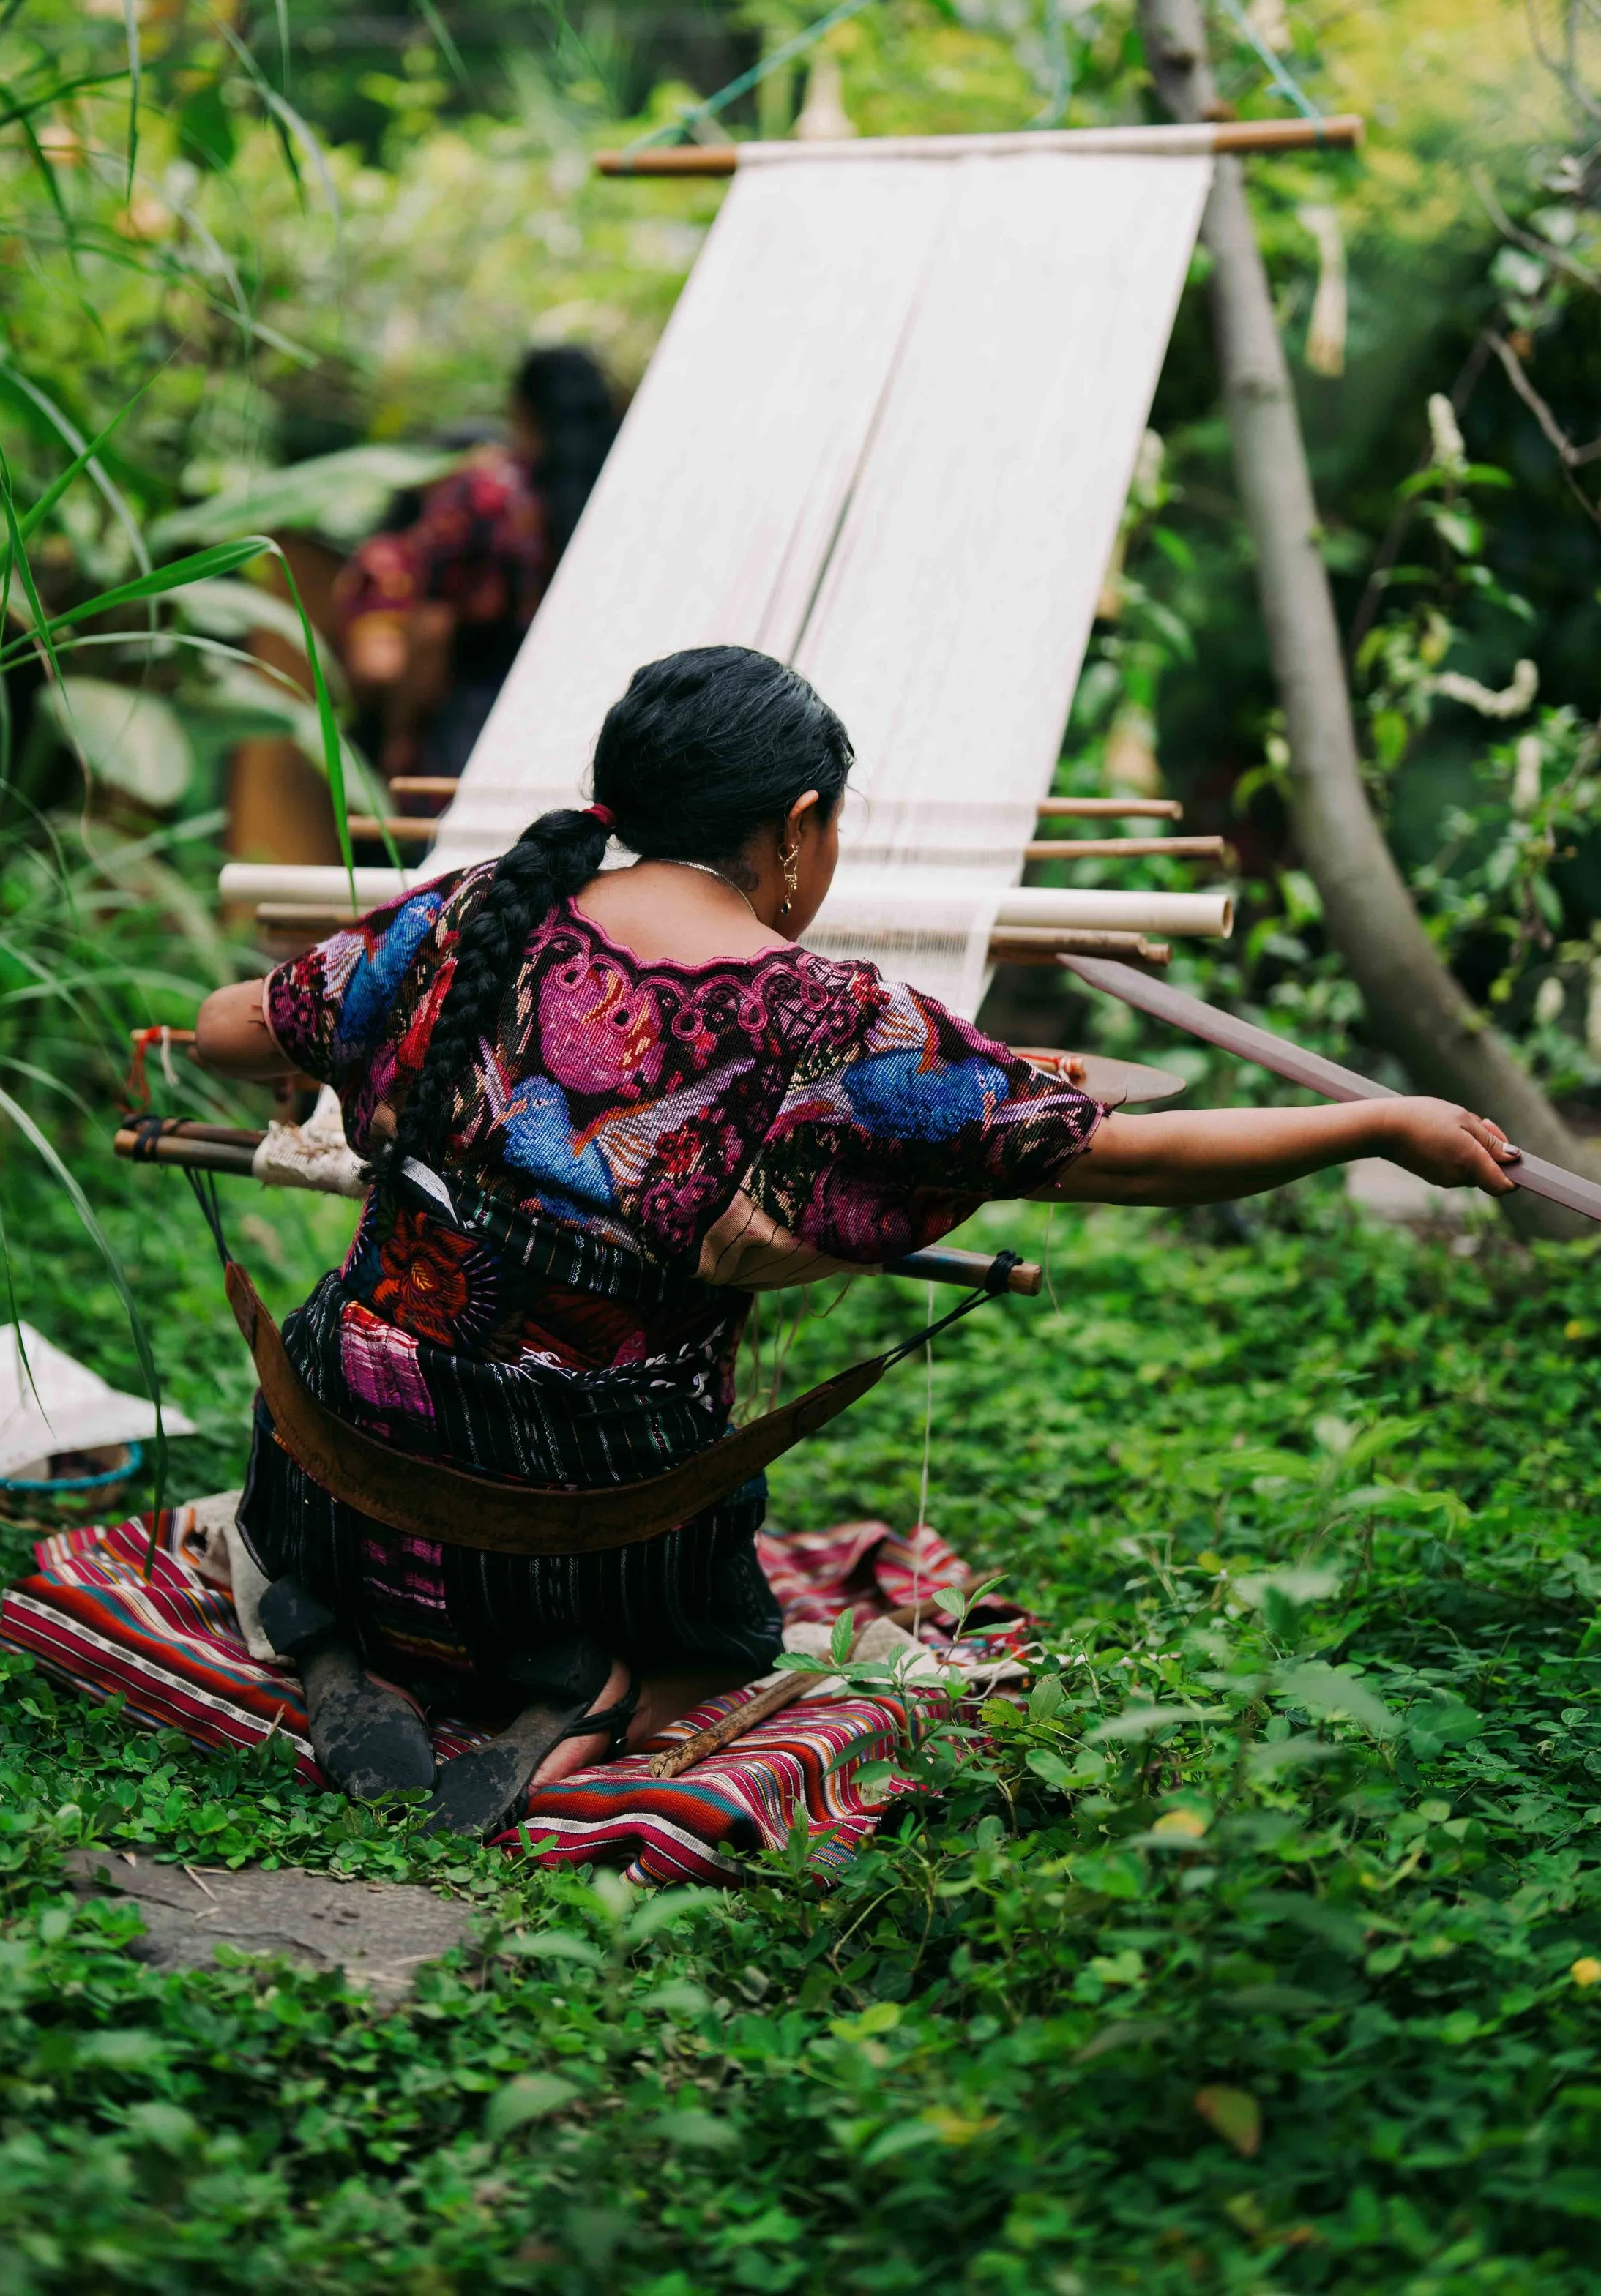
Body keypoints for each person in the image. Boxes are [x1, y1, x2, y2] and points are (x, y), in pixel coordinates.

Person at [194, 645, 1520, 1835]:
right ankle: (599, 1683)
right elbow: (1126, 1152)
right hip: (594, 1505)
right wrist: (1375, 1126)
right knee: (728, 1635)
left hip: (342, 1445)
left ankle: (341, 1646)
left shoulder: (482, 913)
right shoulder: (827, 1014)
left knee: (340, 1430)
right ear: (798, 828)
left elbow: (230, 1030)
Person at [333, 345, 620, 776]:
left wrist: (402, 732)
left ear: (521, 409)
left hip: (475, 714)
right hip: (582, 710)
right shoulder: (617, 497)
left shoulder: (489, 495)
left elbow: (434, 629)